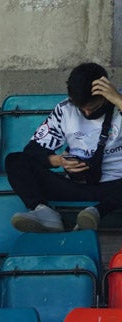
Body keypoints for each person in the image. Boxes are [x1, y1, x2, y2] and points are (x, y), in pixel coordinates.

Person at [6, 62, 122, 233]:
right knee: (15, 161)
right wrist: (58, 160)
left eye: (94, 107)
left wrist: (118, 100)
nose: (88, 113)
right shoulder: (65, 110)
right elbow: (32, 151)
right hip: (76, 185)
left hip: (116, 186)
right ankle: (44, 212)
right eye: (82, 109)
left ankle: (96, 213)